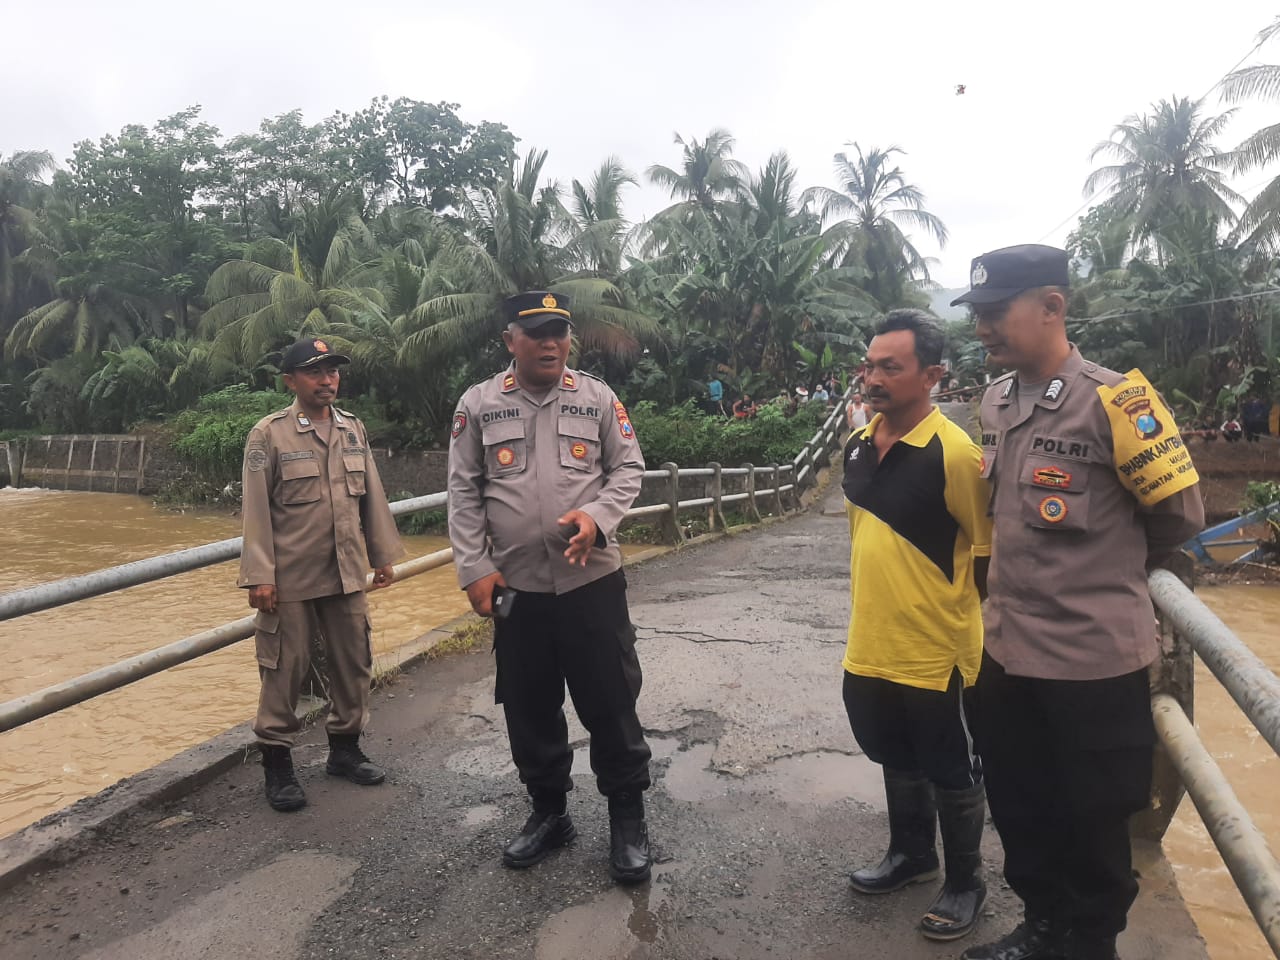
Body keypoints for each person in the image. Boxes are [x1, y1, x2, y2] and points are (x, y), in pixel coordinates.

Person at [953, 244, 1204, 960]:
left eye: (996, 313)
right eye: (978, 316)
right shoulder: (997, 401)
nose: (984, 329)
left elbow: (1179, 515)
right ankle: (1040, 930)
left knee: (1095, 822)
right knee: (1022, 807)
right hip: (1007, 650)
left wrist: (1106, 571)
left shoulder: (1119, 400)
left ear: (1052, 307)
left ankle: (1089, 946)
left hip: (1093, 661)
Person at [446, 291, 653, 884]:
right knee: (528, 703)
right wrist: (474, 569)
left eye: (559, 332)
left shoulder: (598, 398)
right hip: (515, 586)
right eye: (536, 333)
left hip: (592, 581)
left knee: (610, 699)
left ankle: (627, 818)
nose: (550, 343)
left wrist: (597, 518)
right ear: (510, 339)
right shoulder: (479, 405)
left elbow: (628, 469)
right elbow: (463, 493)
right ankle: (549, 813)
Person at [842, 310, 992, 943]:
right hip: (870, 641)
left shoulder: (954, 453)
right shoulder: (857, 443)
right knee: (893, 752)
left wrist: (961, 625)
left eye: (890, 367)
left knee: (951, 766)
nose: (873, 378)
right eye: (870, 364)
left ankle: (965, 880)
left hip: (937, 650)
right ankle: (911, 854)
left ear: (931, 375)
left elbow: (985, 554)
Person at [239, 337, 404, 812]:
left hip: (347, 571)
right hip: (289, 577)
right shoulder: (268, 434)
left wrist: (382, 554)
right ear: (291, 380)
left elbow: (371, 494)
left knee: (354, 662)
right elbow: (255, 510)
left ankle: (345, 751)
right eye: (315, 372)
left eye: (332, 371)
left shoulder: (353, 429)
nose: (327, 379)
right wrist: (259, 575)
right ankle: (278, 764)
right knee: (284, 669)